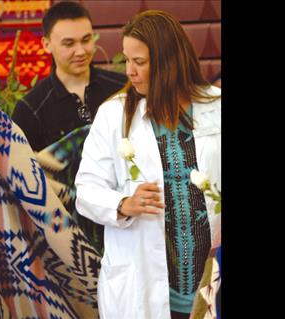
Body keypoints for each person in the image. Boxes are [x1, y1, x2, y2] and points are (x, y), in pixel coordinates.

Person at [75, 10, 221, 319]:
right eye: (127, 60)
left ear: (169, 61)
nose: (130, 71)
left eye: (139, 62)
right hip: (140, 286)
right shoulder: (114, 115)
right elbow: (86, 190)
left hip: (207, 283)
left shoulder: (216, 107)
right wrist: (124, 203)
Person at [11, 0, 127, 152]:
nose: (80, 51)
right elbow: (22, 169)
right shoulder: (30, 109)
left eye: (86, 40)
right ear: (46, 44)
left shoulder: (122, 87)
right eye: (69, 43)